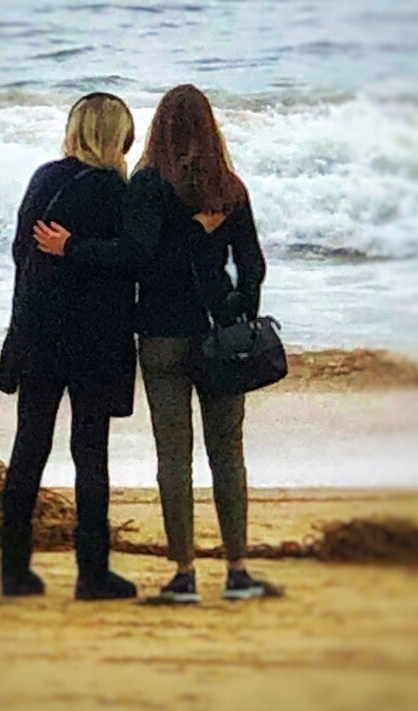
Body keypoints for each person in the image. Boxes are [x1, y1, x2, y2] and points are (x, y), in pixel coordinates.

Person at [34, 84, 283, 603]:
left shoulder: (147, 184)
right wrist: (238, 312)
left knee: (174, 457)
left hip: (163, 336)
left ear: (159, 126)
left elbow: (134, 256)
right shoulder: (228, 187)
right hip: (219, 339)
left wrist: (72, 247)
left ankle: (185, 576)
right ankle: (237, 572)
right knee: (227, 456)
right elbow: (254, 267)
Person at [0, 92, 138, 601]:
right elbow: (129, 262)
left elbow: (20, 251)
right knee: (90, 452)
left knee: (29, 447)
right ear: (118, 135)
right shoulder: (117, 192)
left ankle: (14, 571)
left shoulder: (43, 177)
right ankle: (92, 573)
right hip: (93, 341)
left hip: (37, 332)